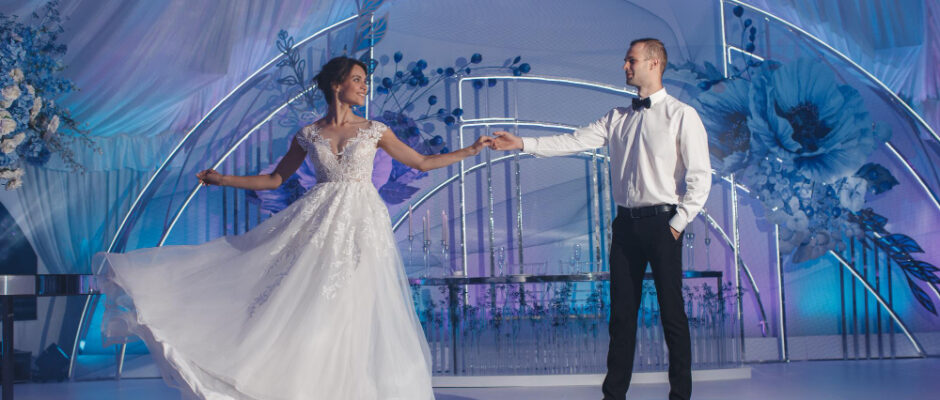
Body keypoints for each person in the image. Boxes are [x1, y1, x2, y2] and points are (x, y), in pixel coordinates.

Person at [96, 56, 492, 399]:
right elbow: (275, 180)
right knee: (312, 302)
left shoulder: (375, 129)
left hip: (361, 223)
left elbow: (421, 163)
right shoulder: (309, 133)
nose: (364, 86)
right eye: (357, 79)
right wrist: (224, 180)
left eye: (364, 81)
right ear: (337, 84)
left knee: (356, 303)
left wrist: (471, 150)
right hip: (318, 220)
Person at [490, 38, 711, 400]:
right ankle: (614, 396)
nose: (625, 66)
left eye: (631, 60)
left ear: (654, 64)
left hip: (663, 224)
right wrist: (522, 143)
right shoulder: (617, 117)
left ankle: (680, 397)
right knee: (622, 316)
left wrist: (677, 223)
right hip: (625, 226)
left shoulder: (682, 115)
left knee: (673, 316)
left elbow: (701, 176)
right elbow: (572, 141)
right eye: (625, 60)